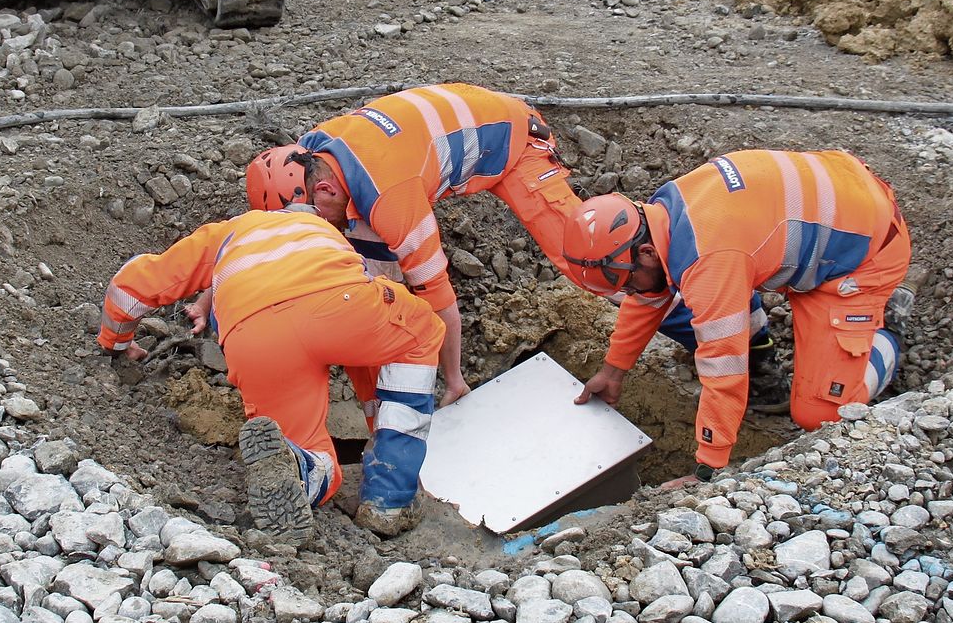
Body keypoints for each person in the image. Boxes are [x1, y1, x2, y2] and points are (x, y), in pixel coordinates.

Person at [97, 207, 443, 540]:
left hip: (252, 335)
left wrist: (116, 341)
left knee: (302, 446)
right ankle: (389, 497)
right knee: (420, 333)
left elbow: (133, 285)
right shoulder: (322, 231)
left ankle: (300, 466)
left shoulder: (224, 236)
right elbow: (372, 351)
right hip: (339, 303)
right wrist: (377, 423)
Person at [561, 150, 913, 477]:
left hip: (863, 254)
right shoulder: (663, 214)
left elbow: (724, 367)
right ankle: (775, 359)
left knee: (821, 415)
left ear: (648, 253)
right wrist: (613, 371)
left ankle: (887, 332)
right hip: (838, 195)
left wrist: (710, 464)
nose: (630, 293)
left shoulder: (711, 260)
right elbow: (650, 297)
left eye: (627, 282)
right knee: (718, 295)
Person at [245, 84, 579, 405]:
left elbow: (438, 295)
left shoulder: (393, 202)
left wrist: (453, 380)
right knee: (372, 276)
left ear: (325, 191)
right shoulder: (307, 154)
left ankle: (628, 300)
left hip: (512, 136)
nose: (320, 228)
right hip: (446, 116)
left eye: (316, 219)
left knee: (582, 254)